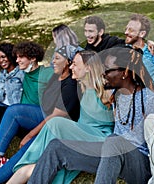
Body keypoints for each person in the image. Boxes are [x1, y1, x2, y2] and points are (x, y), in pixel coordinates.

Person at [13, 47, 154, 184]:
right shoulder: (116, 96)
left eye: (108, 70)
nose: (103, 73)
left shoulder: (151, 100)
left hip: (139, 165)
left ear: (125, 73)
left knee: (114, 141)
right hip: (111, 157)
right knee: (56, 147)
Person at [7, 50, 114, 184]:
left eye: (75, 64)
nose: (70, 67)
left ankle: (34, 160)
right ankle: (35, 163)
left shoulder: (107, 90)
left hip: (100, 139)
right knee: (26, 170)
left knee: (56, 122)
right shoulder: (83, 89)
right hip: (82, 137)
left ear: (88, 68)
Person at [0, 41, 54, 184]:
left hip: (42, 117)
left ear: (33, 58)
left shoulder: (47, 73)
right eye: (16, 57)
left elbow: (54, 111)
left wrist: (31, 133)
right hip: (24, 118)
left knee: (13, 111)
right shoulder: (23, 73)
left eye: (20, 57)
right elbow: (7, 81)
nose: (16, 61)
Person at [124, 13, 154, 90]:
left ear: (142, 34)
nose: (126, 32)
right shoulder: (124, 50)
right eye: (126, 29)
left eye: (130, 30)